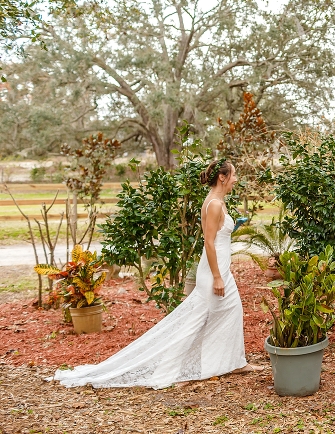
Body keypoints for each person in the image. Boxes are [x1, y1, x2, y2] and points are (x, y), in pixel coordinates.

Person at [52, 159, 256, 388]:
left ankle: (234, 362)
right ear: (222, 177)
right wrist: (217, 277)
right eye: (234, 175)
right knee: (194, 322)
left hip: (220, 267)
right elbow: (208, 243)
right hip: (214, 270)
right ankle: (166, 370)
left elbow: (218, 235)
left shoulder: (217, 201)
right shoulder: (215, 204)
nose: (236, 179)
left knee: (231, 311)